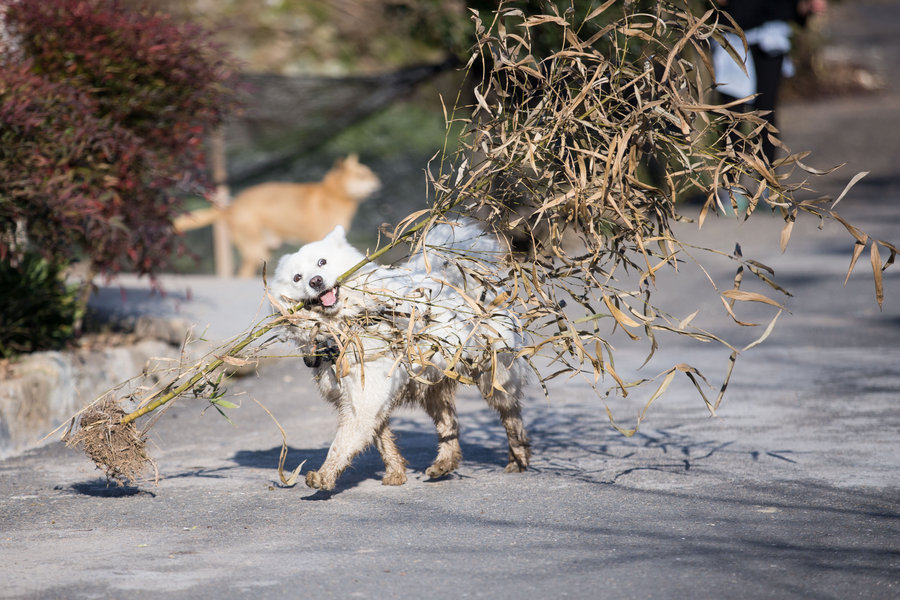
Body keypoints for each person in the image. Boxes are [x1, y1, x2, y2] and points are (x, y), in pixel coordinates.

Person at [714, 0, 828, 164]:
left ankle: (766, 180)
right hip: (734, 28)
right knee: (732, 113)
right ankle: (730, 182)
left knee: (766, 111)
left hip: (772, 27)